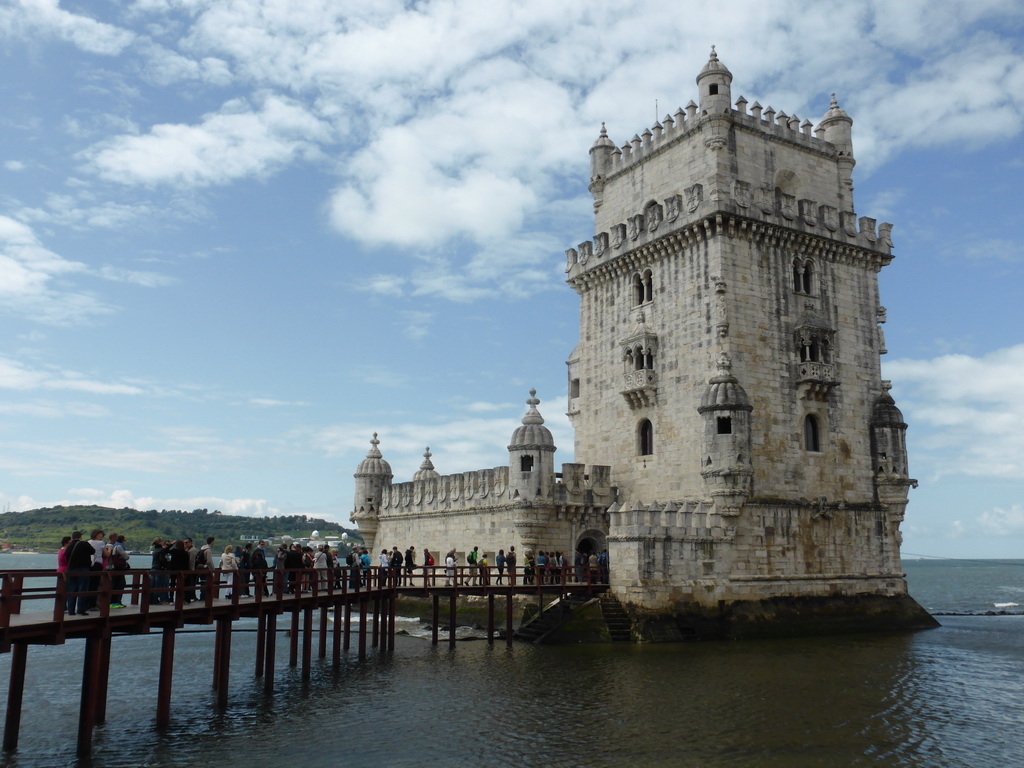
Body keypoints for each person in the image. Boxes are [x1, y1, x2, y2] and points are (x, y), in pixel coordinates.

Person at [65, 531, 93, 616]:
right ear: (81, 537)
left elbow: (66, 556)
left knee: (72, 590)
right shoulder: (84, 544)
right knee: (82, 589)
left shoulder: (69, 547)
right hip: (83, 569)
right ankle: (81, 610)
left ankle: (71, 610)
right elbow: (93, 551)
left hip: (71, 570)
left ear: (72, 537)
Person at [106, 533, 130, 608]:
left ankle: (112, 602)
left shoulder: (110, 546)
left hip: (112, 568)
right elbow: (126, 557)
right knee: (120, 584)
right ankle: (117, 602)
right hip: (118, 568)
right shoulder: (119, 546)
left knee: (114, 584)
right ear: (122, 540)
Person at [150, 537, 168, 605]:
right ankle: (160, 599)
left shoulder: (155, 550)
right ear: (160, 542)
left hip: (153, 568)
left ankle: (152, 599)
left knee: (153, 584)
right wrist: (167, 565)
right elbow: (162, 560)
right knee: (160, 585)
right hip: (160, 569)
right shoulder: (162, 550)